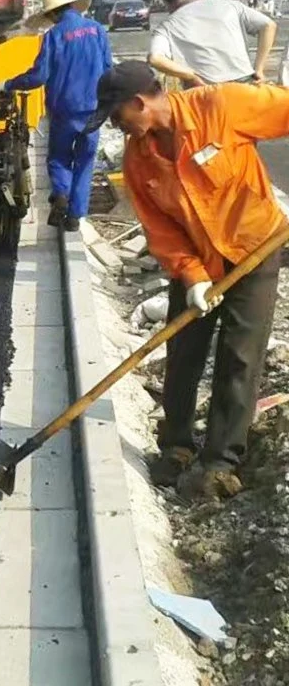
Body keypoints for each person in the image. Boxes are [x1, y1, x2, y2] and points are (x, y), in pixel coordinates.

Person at [86, 60, 289, 502]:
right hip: (198, 261)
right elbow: (160, 228)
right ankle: (176, 446)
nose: (120, 129)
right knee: (183, 351)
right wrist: (193, 276)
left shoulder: (223, 106)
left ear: (140, 103)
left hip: (254, 249)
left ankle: (220, 462)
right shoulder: (139, 160)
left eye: (119, 118)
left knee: (240, 357)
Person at [0, 0, 113, 231]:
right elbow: (109, 69)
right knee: (85, 160)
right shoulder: (97, 30)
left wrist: (9, 84)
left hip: (64, 109)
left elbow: (39, 75)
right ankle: (74, 217)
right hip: (93, 109)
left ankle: (61, 193)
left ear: (52, 15)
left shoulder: (54, 36)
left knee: (59, 158)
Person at [148, 0, 276, 87]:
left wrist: (190, 75)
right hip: (244, 86)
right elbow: (268, 25)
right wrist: (259, 69)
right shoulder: (230, 6)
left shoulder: (167, 26)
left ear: (166, 3)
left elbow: (155, 59)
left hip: (204, 92)